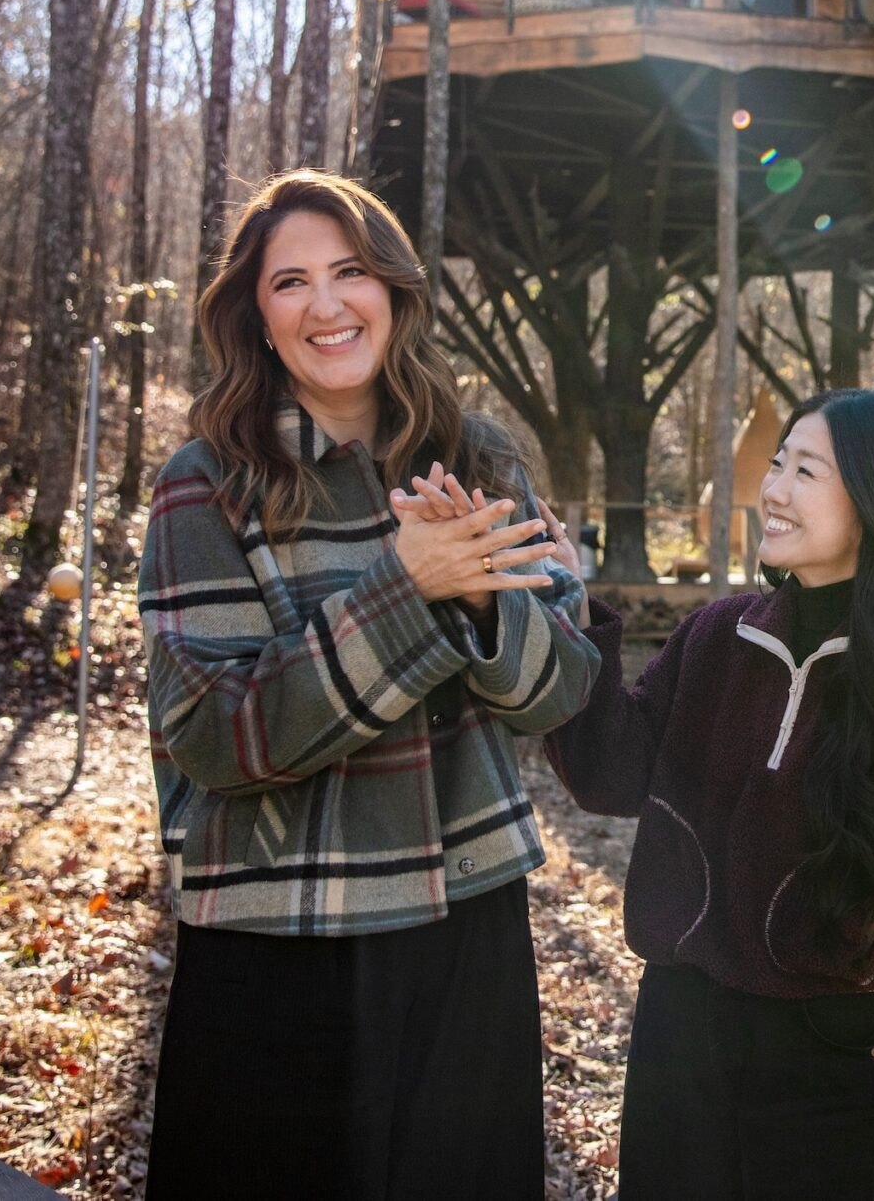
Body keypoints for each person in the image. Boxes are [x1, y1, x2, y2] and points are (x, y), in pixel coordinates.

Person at [137, 170, 598, 1201]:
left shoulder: (476, 458)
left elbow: (561, 692)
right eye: (291, 282)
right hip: (279, 940)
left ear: (393, 289)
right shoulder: (204, 483)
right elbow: (214, 736)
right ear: (255, 319)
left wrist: (481, 606)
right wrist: (409, 588)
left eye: (350, 272)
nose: (328, 305)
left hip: (463, 925)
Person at [544, 389, 874, 1199]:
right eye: (777, 463)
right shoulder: (718, 636)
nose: (776, 489)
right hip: (683, 1024)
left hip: (837, 1045)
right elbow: (608, 771)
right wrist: (570, 612)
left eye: (808, 470)